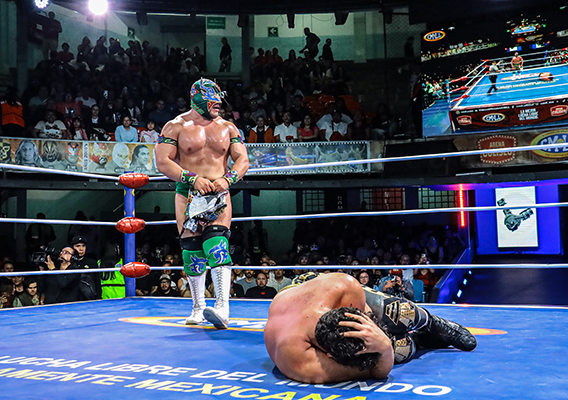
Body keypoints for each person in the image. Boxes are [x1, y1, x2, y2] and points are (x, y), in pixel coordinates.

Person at [155, 78, 249, 329]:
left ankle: (223, 307)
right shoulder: (175, 126)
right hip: (188, 192)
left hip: (219, 192)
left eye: (219, 101)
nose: (218, 104)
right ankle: (198, 307)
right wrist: (192, 178)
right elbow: (163, 161)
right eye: (213, 100)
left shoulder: (228, 127)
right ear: (197, 99)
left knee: (217, 244)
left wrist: (228, 179)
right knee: (191, 249)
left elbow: (243, 160)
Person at [264, 272, 476, 384]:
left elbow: (369, 316)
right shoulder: (297, 360)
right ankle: (419, 341)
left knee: (397, 312)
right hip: (291, 314)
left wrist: (376, 329)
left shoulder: (343, 287)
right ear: (328, 355)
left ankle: (433, 322)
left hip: (311, 285)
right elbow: (376, 370)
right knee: (397, 350)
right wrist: (384, 346)